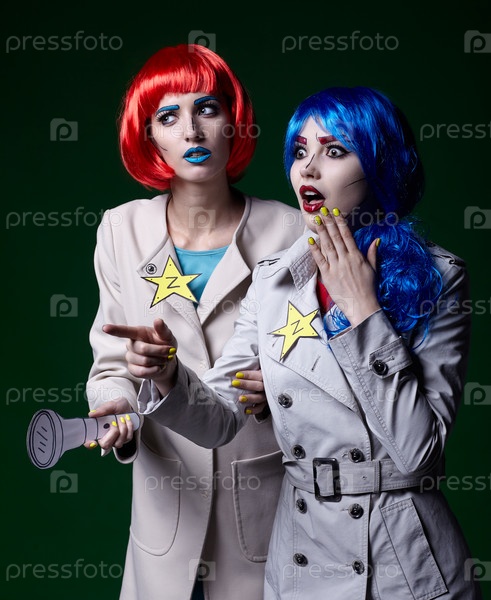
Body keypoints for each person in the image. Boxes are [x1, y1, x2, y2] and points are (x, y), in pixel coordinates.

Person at [105, 86, 482, 598]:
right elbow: (218, 420)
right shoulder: (273, 280)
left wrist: (363, 311)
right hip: (303, 556)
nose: (308, 169)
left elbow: (418, 452)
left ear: (379, 163)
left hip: (402, 562)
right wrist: (169, 375)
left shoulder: (440, 278)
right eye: (300, 151)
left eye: (334, 151)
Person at [85, 43, 305, 600]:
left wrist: (283, 385)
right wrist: (115, 404)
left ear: (234, 122)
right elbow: (109, 368)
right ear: (149, 136)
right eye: (168, 116)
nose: (191, 130)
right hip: (164, 512)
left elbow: (328, 373)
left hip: (263, 512)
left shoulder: (293, 231)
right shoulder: (120, 230)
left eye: (207, 108)